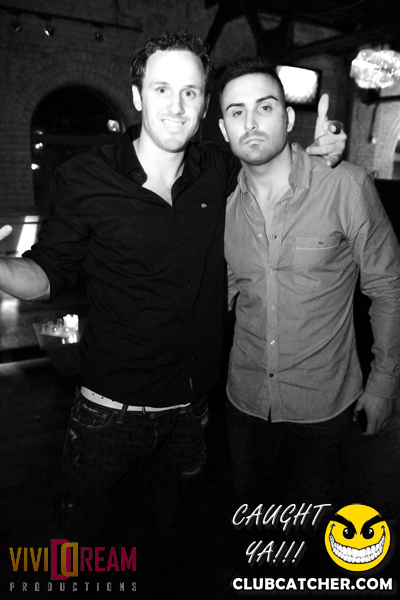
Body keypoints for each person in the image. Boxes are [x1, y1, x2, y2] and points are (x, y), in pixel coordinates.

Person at [0, 34, 345, 596]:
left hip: (190, 413)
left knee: (166, 543)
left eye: (191, 92)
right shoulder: (86, 179)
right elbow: (46, 275)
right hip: (109, 414)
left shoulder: (217, 169)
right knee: (75, 553)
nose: (177, 105)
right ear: (138, 96)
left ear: (205, 104)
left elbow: (269, 159)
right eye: (162, 89)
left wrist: (316, 152)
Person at [219, 56, 400, 566]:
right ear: (223, 129)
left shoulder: (345, 186)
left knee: (316, 547)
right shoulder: (224, 208)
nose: (251, 122)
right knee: (256, 539)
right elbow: (224, 295)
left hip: (323, 410)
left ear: (288, 117)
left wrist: (383, 384)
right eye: (236, 112)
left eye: (264, 107)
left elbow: (389, 288)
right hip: (244, 406)